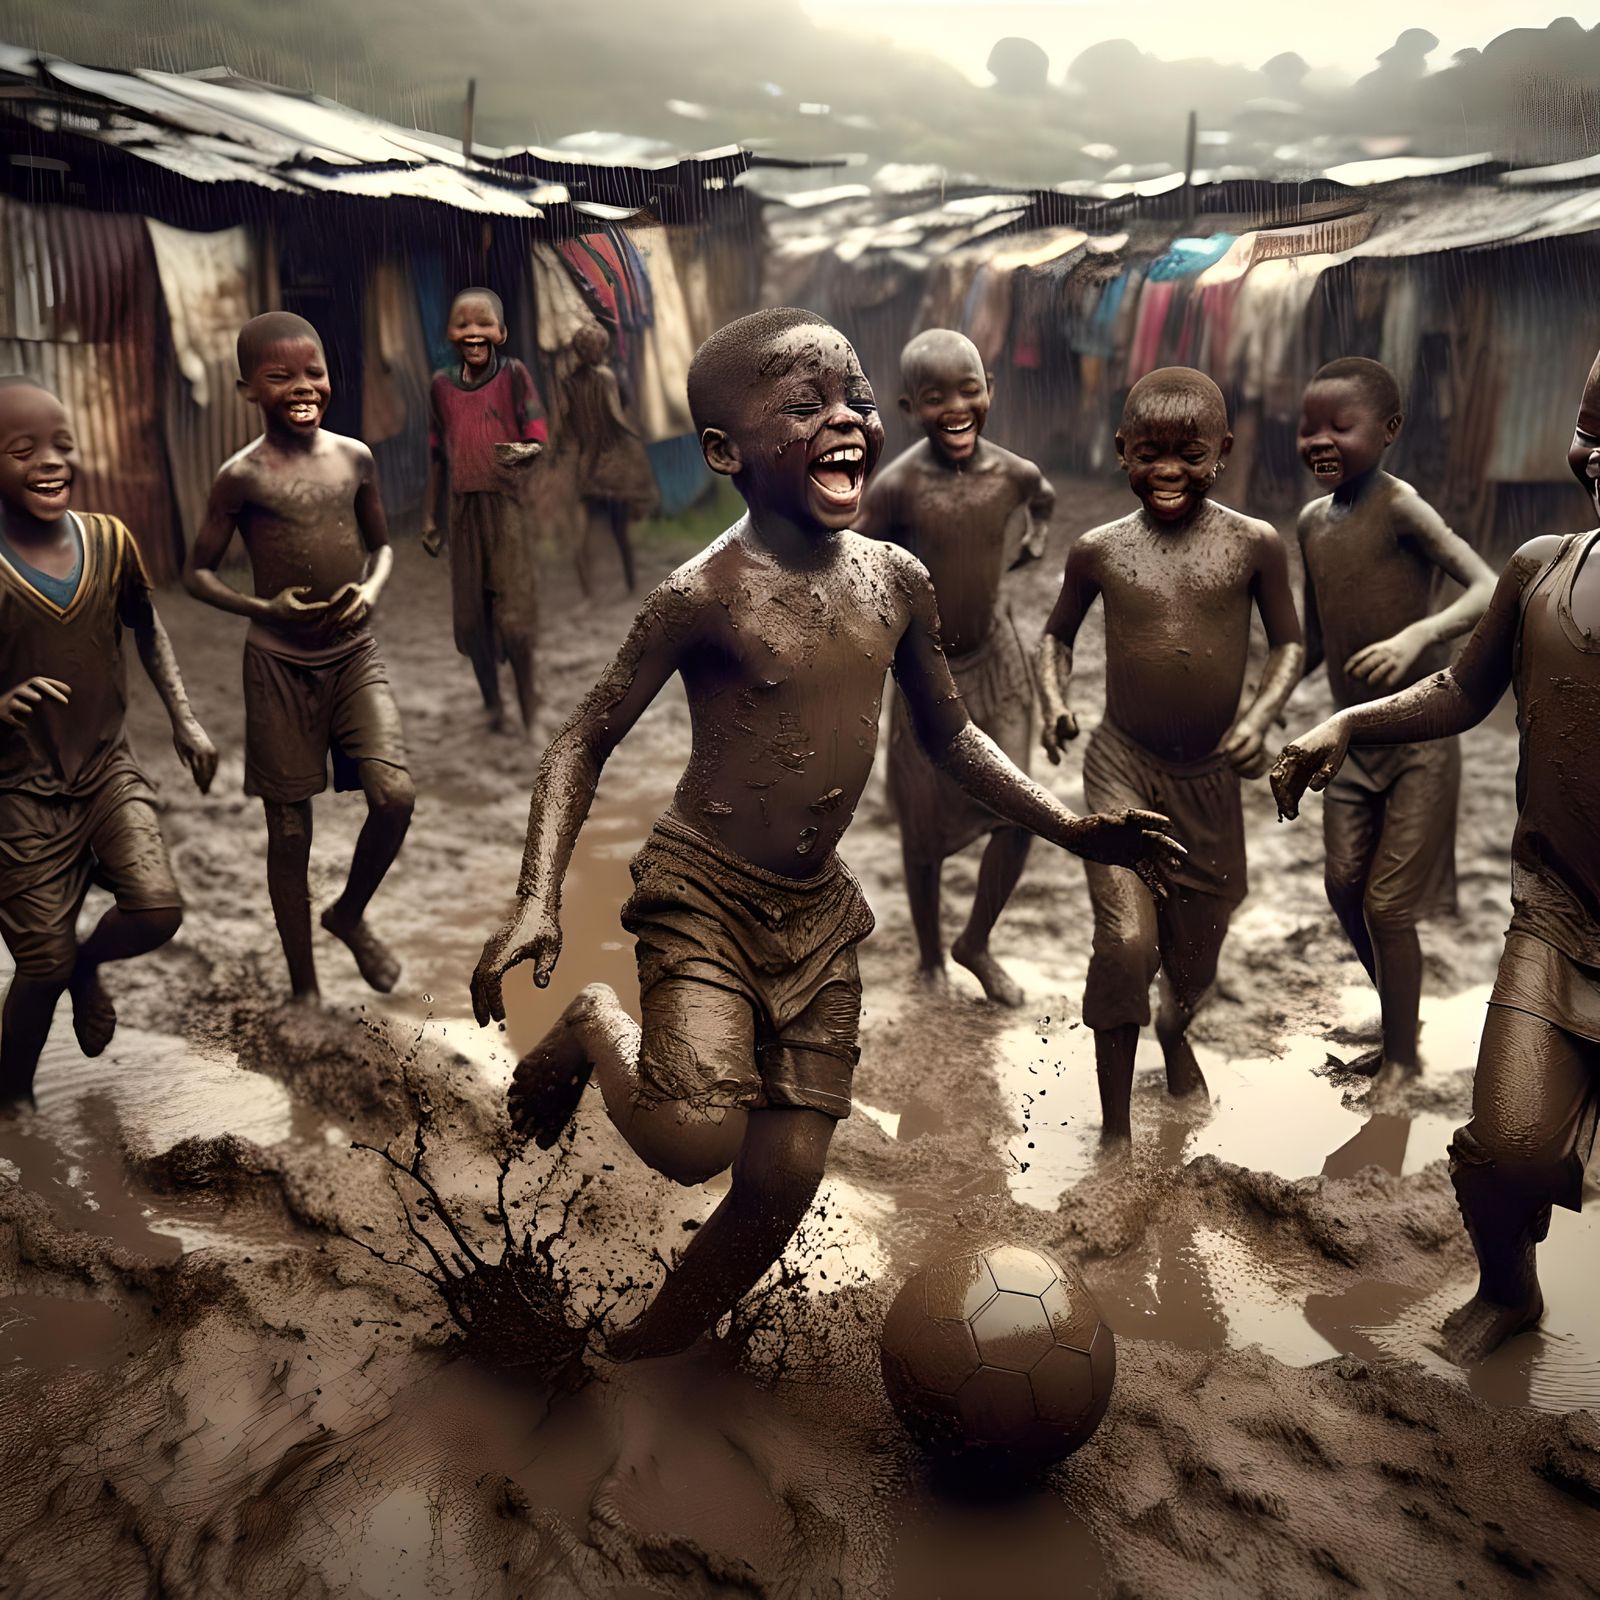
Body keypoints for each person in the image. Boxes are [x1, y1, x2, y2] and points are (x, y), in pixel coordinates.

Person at [471, 309, 1185, 1361]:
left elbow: (953, 737)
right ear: (724, 453)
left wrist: (1072, 825)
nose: (845, 418)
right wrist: (537, 897)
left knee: (782, 1180)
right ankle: (589, 1023)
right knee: (689, 1136)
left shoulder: (894, 578)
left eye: (852, 397)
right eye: (803, 407)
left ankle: (646, 1347)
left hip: (813, 914)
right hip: (704, 890)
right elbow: (582, 738)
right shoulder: (700, 593)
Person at [1272, 349, 1600, 1366]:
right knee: (1500, 1151)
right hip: (1558, 913)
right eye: (1592, 430)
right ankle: (1510, 1289)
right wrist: (1349, 724)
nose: (1598, 455)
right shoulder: (1541, 566)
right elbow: (1461, 691)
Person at [1037, 367, 1303, 1145]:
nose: (1167, 471)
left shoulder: (1255, 545)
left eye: (1189, 453)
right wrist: (1055, 700)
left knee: (1197, 955)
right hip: (1122, 768)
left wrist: (1261, 715)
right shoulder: (1097, 551)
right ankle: (1115, 1133)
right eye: (1148, 452)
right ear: (1121, 450)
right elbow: (1056, 635)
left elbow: (1290, 642)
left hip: (1213, 779)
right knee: (1126, 945)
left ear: (1222, 450)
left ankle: (1176, 1028)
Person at [187, 312, 413, 1006]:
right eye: (279, 376)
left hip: (353, 655)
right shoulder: (240, 477)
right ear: (247, 388)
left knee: (395, 797)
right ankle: (304, 988)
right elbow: (197, 572)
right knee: (289, 831)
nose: (302, 386)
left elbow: (382, 547)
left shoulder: (354, 458)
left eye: (313, 371)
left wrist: (371, 591)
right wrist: (265, 610)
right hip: (278, 664)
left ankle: (347, 913)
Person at [0, 378, 215, 1101]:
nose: (50, 462)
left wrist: (184, 717)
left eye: (62, 444)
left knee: (158, 910)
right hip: (18, 794)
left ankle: (91, 967)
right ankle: (14, 1105)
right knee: (41, 967)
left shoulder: (111, 540)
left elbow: (148, 631)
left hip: (105, 772)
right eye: (22, 450)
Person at [1295, 358, 1495, 1087]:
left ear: (1389, 431)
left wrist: (1419, 636)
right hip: (1349, 739)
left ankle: (1404, 1063)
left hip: (1419, 737)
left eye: (1338, 427)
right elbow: (1315, 643)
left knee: (1386, 904)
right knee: (1344, 885)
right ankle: (1397, 1014)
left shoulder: (1404, 507)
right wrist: (1264, 701)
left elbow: (1486, 587)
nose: (1319, 440)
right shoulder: (1311, 523)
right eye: (1307, 427)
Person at [856, 329, 1055, 1007]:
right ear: (911, 406)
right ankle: (932, 957)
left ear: (989, 390)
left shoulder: (1014, 473)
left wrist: (1035, 543)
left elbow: (1044, 501)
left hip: (999, 665)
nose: (956, 406)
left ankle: (977, 941)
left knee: (1020, 815)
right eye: (936, 396)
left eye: (969, 389)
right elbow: (853, 562)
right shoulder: (897, 488)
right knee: (923, 831)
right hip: (925, 676)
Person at [421, 288, 547, 732]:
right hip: (462, 512)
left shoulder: (514, 374)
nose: (474, 336)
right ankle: (493, 705)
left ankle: (530, 709)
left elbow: (537, 437)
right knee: (473, 621)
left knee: (514, 620)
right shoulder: (440, 386)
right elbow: (438, 454)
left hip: (507, 507)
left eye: (483, 327)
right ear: (451, 335)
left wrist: (526, 451)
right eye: (464, 327)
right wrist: (430, 517)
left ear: (501, 333)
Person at [565, 323, 656, 598]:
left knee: (585, 528)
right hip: (610, 462)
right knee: (619, 528)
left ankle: (586, 588)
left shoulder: (568, 381)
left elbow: (568, 423)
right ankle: (630, 583)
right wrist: (634, 440)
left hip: (586, 463)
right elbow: (619, 414)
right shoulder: (607, 376)